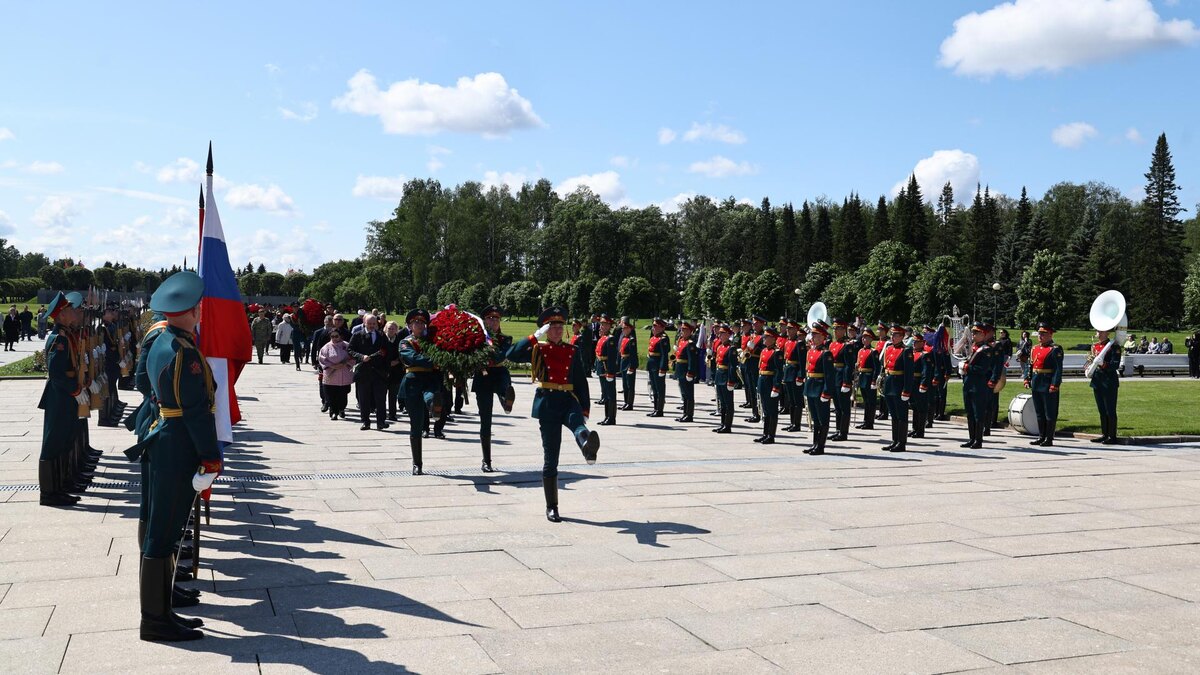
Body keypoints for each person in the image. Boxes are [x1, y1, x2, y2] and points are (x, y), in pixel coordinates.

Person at [131, 271, 221, 641]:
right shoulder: (183, 352)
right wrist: (211, 457)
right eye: (197, 307)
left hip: (161, 438)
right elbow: (197, 412)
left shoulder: (164, 339)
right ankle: (155, 620)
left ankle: (163, 605)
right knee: (163, 532)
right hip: (176, 445)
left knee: (158, 524)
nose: (201, 311)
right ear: (189, 311)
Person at [507, 307, 599, 522]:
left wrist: (584, 408)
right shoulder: (538, 349)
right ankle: (552, 507)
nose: (558, 330)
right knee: (551, 457)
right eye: (553, 327)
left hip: (568, 400)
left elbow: (580, 381)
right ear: (546, 329)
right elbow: (511, 354)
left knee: (578, 425)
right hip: (548, 403)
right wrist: (534, 336)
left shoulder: (572, 350)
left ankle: (587, 448)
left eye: (560, 326)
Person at [37, 292, 87, 506]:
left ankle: (61, 484)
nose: (72, 312)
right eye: (68, 310)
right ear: (61, 315)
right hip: (60, 397)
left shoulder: (65, 335)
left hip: (65, 397)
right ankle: (49, 493)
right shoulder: (59, 339)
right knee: (54, 443)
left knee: (65, 440)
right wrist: (75, 390)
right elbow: (57, 373)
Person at [472, 306, 516, 473]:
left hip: (498, 373)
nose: (494, 321)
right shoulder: (476, 339)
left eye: (497, 319)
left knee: (505, 386)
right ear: (485, 321)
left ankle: (506, 401)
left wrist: (485, 357)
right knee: (486, 420)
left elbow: (500, 356)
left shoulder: (506, 339)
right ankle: (486, 460)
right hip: (482, 377)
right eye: (490, 319)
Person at [398, 309, 442, 474]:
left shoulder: (432, 341)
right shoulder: (405, 342)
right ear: (409, 325)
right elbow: (412, 357)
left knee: (431, 395)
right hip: (413, 380)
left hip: (430, 379)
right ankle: (417, 464)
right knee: (415, 424)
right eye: (416, 322)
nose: (419, 325)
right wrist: (434, 361)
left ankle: (434, 408)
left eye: (422, 322)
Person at [1023, 322, 1063, 447]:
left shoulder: (1055, 349)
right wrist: (1027, 378)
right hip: (1036, 382)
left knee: (1049, 412)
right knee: (1039, 411)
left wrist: (1054, 384)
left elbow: (1058, 369)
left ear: (1050, 335)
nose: (1040, 336)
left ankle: (1049, 438)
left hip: (1047, 383)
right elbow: (1030, 365)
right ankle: (1041, 436)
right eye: (1039, 333)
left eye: (1043, 334)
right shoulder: (1034, 348)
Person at [347, 314, 390, 431]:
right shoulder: (357, 335)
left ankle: (381, 421)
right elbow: (350, 350)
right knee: (364, 399)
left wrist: (386, 370)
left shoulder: (381, 335)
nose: (371, 326)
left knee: (380, 399)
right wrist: (361, 357)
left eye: (374, 324)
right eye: (369, 323)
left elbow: (387, 351)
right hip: (363, 372)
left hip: (379, 373)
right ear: (364, 323)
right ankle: (365, 421)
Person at [960, 321, 997, 450]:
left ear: (984, 334)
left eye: (976, 333)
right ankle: (971, 438)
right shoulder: (973, 347)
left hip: (978, 385)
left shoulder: (986, 350)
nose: (974, 335)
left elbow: (982, 369)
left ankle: (978, 440)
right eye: (973, 332)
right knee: (970, 413)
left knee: (978, 414)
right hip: (968, 384)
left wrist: (966, 367)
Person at [803, 320, 835, 455]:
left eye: (816, 336)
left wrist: (826, 392)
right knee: (815, 418)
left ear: (823, 337)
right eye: (813, 335)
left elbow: (829, 376)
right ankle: (815, 443)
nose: (813, 338)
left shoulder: (826, 353)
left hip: (820, 387)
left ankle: (820, 446)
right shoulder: (811, 351)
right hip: (810, 387)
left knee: (823, 419)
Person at [880, 324, 913, 452]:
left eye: (895, 335)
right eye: (892, 335)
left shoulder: (906, 351)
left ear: (902, 336)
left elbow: (909, 373)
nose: (892, 337)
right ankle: (894, 440)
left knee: (901, 415)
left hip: (899, 385)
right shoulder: (889, 348)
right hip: (889, 384)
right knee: (893, 415)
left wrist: (907, 390)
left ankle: (901, 442)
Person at [1089, 326, 1122, 444]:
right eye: (1097, 331)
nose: (1097, 333)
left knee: (1110, 410)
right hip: (1097, 380)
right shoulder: (1095, 346)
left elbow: (1115, 364)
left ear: (1106, 333)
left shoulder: (1114, 347)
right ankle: (1104, 434)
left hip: (1109, 381)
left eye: (1100, 331)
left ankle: (1112, 436)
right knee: (1101, 410)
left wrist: (1103, 364)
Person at [754, 325, 784, 444]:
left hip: (770, 382)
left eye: (766, 337)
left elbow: (778, 371)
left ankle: (771, 435)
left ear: (773, 338)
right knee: (765, 410)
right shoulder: (764, 351)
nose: (764, 339)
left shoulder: (776, 353)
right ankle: (765, 433)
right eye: (764, 337)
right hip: (763, 380)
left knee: (772, 410)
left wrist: (776, 387)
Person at [318, 327, 355, 420]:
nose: (334, 338)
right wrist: (332, 366)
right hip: (331, 375)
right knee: (331, 395)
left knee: (343, 394)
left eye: (336, 336)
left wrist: (346, 363)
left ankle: (341, 409)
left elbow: (353, 357)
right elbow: (322, 359)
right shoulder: (326, 347)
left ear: (340, 336)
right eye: (332, 336)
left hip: (344, 374)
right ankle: (334, 412)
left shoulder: (346, 345)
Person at [828, 318, 854, 442]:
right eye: (834, 329)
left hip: (842, 377)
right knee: (837, 407)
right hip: (834, 377)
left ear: (843, 330)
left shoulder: (847, 345)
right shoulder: (832, 344)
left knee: (844, 407)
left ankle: (843, 432)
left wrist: (847, 382)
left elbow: (849, 365)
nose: (835, 331)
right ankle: (838, 430)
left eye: (837, 329)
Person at [712, 323, 738, 434]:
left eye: (723, 333)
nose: (720, 335)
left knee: (728, 403)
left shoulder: (731, 348)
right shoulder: (720, 347)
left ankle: (728, 425)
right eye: (720, 333)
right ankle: (722, 424)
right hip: (719, 376)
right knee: (722, 403)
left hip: (726, 377)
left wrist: (731, 380)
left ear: (728, 335)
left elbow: (732, 366)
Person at [673, 319, 700, 423]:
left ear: (690, 331)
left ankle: (689, 414)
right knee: (684, 393)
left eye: (685, 330)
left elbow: (692, 360)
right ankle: (685, 413)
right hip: (680, 370)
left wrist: (690, 372)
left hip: (686, 371)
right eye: (682, 330)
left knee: (689, 394)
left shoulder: (690, 344)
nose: (682, 332)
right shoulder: (681, 341)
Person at [782, 320, 808, 433]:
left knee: (797, 401)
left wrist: (800, 376)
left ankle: (797, 424)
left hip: (795, 373)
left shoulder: (800, 343)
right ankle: (792, 422)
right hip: (788, 372)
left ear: (796, 330)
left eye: (790, 329)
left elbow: (802, 363)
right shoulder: (787, 342)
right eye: (787, 329)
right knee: (791, 400)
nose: (788, 331)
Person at [593, 315, 619, 425]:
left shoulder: (611, 339)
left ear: (609, 326)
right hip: (602, 369)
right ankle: (607, 416)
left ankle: (611, 418)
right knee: (606, 394)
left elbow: (612, 358)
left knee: (610, 394)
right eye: (601, 324)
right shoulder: (603, 338)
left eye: (603, 324)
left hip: (607, 370)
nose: (601, 326)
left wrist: (610, 372)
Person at [853, 327, 880, 430]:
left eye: (866, 337)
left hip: (869, 377)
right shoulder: (860, 351)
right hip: (862, 376)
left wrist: (874, 380)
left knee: (871, 401)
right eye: (863, 337)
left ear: (871, 339)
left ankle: (870, 422)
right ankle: (865, 421)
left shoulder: (873, 352)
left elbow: (876, 368)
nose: (864, 339)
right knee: (866, 401)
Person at [908, 332, 933, 439]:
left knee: (921, 407)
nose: (914, 344)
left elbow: (926, 371)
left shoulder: (925, 355)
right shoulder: (911, 354)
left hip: (919, 383)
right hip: (912, 382)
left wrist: (923, 384)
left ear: (922, 343)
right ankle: (915, 428)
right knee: (914, 407)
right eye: (914, 342)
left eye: (917, 342)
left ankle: (920, 431)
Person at [645, 317, 671, 418]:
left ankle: (660, 410)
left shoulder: (663, 338)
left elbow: (664, 355)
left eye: (655, 326)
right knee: (654, 388)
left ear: (661, 327)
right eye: (653, 326)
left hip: (658, 365)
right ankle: (655, 408)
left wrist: (662, 368)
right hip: (652, 365)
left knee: (660, 388)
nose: (653, 328)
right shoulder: (653, 338)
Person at [383, 321, 407, 422]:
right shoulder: (381, 339)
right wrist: (387, 363)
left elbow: (404, 353)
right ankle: (382, 413)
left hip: (396, 371)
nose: (391, 330)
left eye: (393, 328)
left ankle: (392, 414)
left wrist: (397, 361)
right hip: (383, 371)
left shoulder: (401, 341)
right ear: (385, 329)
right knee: (381, 395)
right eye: (389, 328)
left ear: (396, 330)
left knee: (393, 395)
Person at [310, 316, 335, 412]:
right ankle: (324, 400)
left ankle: (331, 401)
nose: (328, 324)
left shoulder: (335, 332)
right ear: (324, 322)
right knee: (322, 381)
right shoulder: (318, 332)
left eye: (330, 322)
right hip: (322, 360)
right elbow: (315, 347)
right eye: (326, 322)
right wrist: (314, 361)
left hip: (334, 360)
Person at [618, 318, 638, 411]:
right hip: (623, 361)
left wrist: (632, 366)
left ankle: (630, 403)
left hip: (629, 362)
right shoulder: (624, 338)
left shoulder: (631, 340)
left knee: (630, 385)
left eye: (625, 328)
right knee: (625, 384)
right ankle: (626, 402)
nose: (623, 330)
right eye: (622, 328)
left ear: (629, 329)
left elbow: (633, 355)